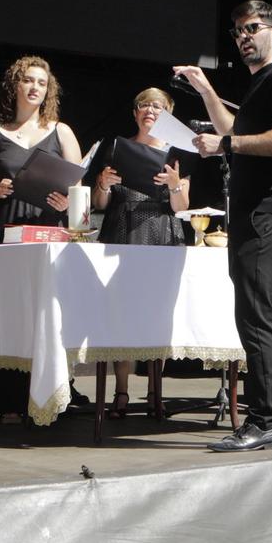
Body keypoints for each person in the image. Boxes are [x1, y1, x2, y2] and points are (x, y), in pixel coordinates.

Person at [177, 0, 272, 453]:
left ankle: (266, 421)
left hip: (270, 214)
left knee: (260, 319)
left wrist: (228, 143)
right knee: (256, 316)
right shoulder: (259, 84)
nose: (242, 37)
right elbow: (231, 131)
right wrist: (206, 91)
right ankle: (271, 421)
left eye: (252, 28)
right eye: (237, 31)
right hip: (254, 215)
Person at [0, 55, 81, 421]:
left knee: (42, 315)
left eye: (42, 83)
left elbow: (80, 187)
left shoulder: (61, 132)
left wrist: (68, 201)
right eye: (29, 81)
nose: (35, 88)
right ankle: (2, 400)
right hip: (2, 229)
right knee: (5, 312)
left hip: (46, 230)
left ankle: (45, 400)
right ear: (15, 85)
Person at [88, 86, 191, 415]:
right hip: (122, 229)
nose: (150, 110)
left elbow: (182, 206)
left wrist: (174, 184)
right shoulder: (117, 147)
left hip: (161, 231)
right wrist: (102, 184)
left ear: (168, 113)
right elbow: (100, 203)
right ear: (135, 113)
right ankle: (121, 390)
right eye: (144, 105)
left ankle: (154, 391)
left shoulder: (177, 152)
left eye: (158, 106)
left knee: (157, 313)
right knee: (122, 312)